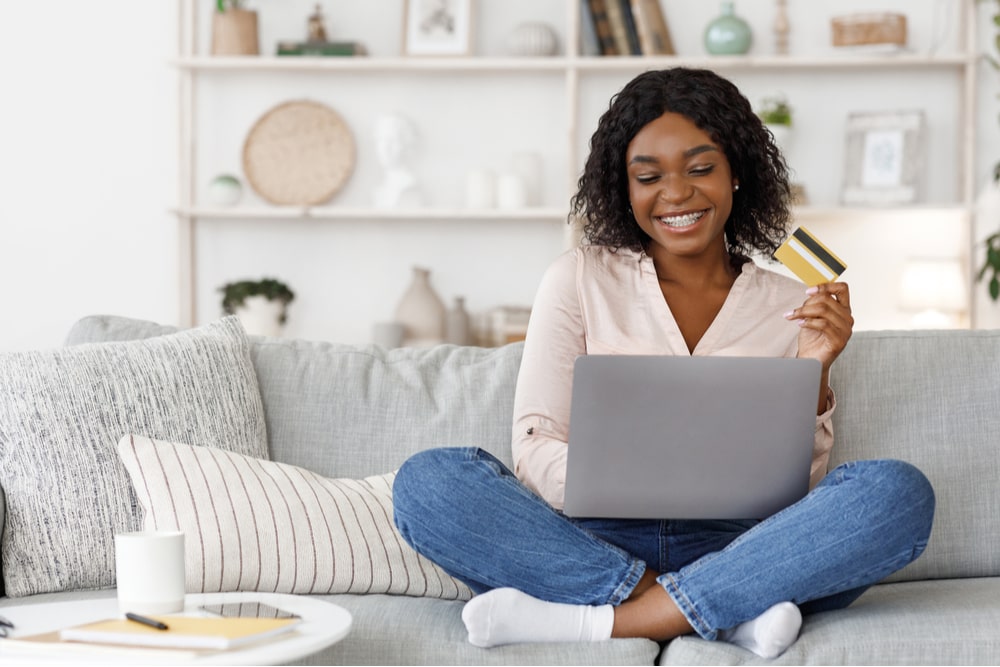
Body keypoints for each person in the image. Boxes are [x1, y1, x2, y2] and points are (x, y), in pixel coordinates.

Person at [392, 67, 935, 659]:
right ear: (624, 188)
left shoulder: (791, 302)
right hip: (590, 542)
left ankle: (604, 620)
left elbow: (794, 489)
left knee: (896, 492)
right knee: (430, 483)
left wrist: (818, 366)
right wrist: (617, 479)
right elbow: (534, 444)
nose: (675, 194)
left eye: (701, 169)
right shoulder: (578, 278)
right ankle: (721, 615)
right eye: (648, 176)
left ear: (736, 175)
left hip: (743, 547)